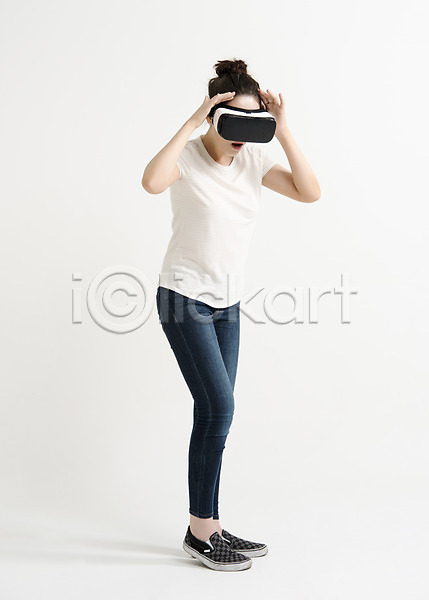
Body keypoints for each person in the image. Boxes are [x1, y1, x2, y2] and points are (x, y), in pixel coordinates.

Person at [142, 58, 321, 571]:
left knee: (215, 414)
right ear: (215, 117)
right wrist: (192, 120)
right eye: (234, 122)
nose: (243, 135)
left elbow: (310, 192)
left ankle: (210, 526)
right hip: (183, 298)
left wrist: (282, 130)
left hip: (227, 304)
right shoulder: (188, 156)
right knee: (219, 408)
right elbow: (151, 182)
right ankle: (201, 532)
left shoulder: (254, 160)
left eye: (253, 122)